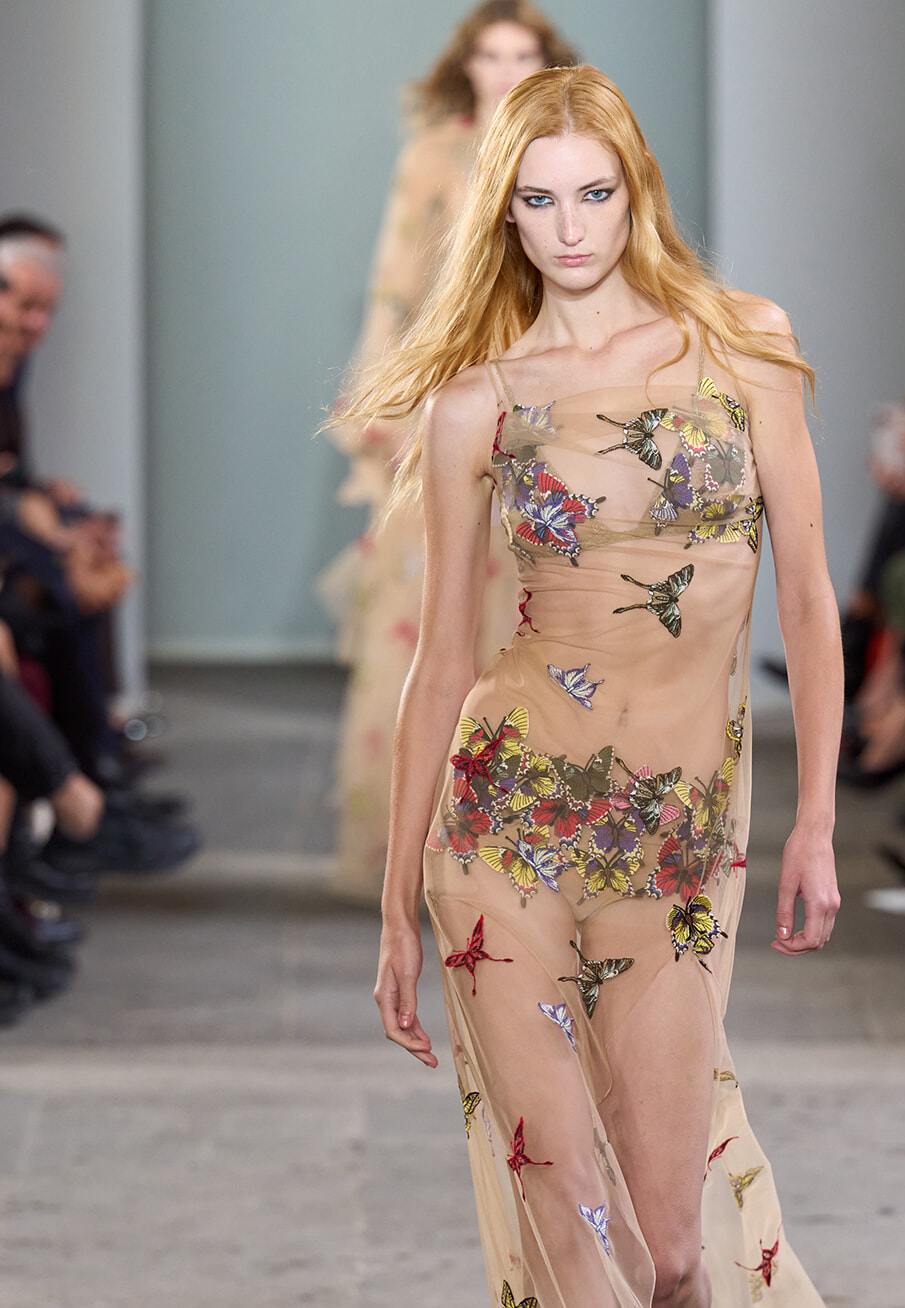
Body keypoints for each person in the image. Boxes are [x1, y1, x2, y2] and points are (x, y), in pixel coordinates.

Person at [344, 64, 842, 1308]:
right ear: (505, 211)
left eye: (592, 194)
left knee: (677, 1260)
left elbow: (819, 610)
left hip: (677, 855)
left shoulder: (748, 346)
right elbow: (439, 670)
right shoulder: (483, 397)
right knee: (575, 1233)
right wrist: (402, 909)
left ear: (640, 192)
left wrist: (819, 825)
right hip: (507, 838)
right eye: (534, 200)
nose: (565, 229)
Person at [325, 1, 577, 900]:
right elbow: (396, 290)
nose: (506, 69)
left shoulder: (570, 155)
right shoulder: (434, 155)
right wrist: (391, 409)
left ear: (548, 63)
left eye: (524, 54)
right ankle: (417, 851)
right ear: (465, 66)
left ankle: (517, 839)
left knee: (534, 618)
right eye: (491, 54)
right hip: (456, 390)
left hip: (552, 399)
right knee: (433, 623)